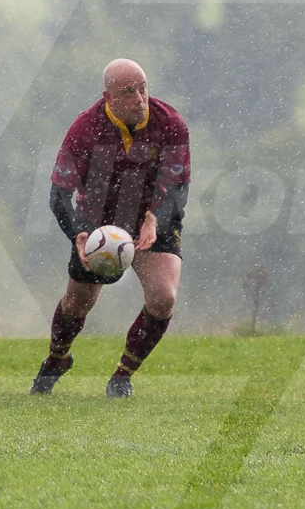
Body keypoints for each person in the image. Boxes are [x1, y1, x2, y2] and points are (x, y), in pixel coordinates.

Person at [32, 59, 190, 399]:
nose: (140, 99)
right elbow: (58, 195)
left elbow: (179, 187)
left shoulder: (170, 123)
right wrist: (77, 233)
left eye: (143, 89)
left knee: (164, 298)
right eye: (129, 92)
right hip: (97, 223)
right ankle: (57, 358)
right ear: (108, 97)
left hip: (154, 216)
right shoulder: (85, 128)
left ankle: (122, 376)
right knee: (76, 305)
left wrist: (155, 218)